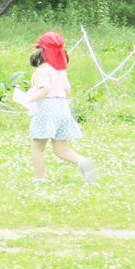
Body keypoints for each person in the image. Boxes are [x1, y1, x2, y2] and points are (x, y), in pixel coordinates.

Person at [25, 31, 97, 183]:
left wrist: (29, 98)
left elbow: (44, 89)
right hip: (63, 109)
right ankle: (83, 162)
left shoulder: (42, 70)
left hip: (47, 110)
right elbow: (67, 90)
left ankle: (40, 179)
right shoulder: (60, 70)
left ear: (41, 52)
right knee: (61, 149)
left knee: (38, 148)